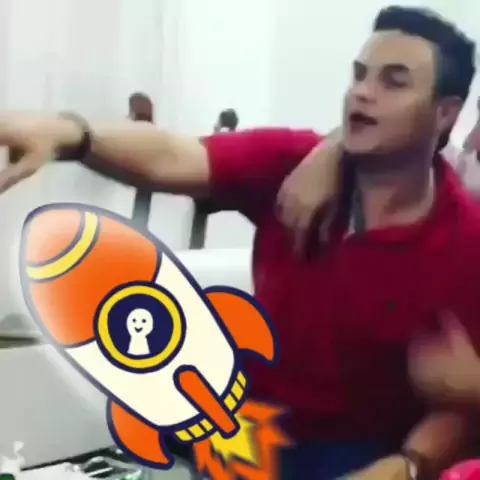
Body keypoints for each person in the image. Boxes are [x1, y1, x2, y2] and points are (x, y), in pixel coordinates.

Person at [0, 6, 478, 479]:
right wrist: (72, 135)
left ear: (445, 113)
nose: (362, 92)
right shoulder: (296, 163)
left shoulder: (463, 240)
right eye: (359, 75)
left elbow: (457, 404)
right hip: (248, 428)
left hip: (362, 452)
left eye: (394, 82)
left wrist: (405, 467)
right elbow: (176, 156)